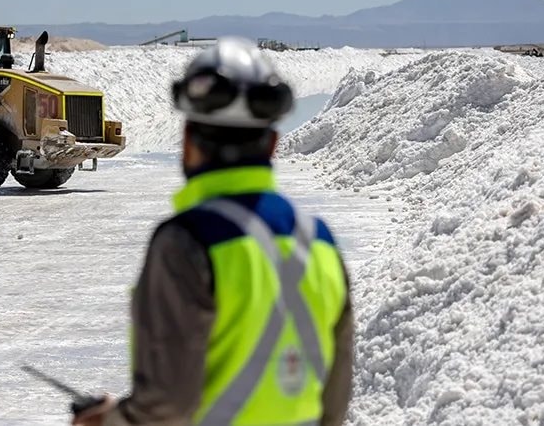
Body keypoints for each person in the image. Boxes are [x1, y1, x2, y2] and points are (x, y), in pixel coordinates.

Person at [73, 37, 354, 426]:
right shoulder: (320, 241)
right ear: (272, 145)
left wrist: (110, 420)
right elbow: (335, 403)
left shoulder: (186, 242)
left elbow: (167, 406)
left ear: (188, 143)